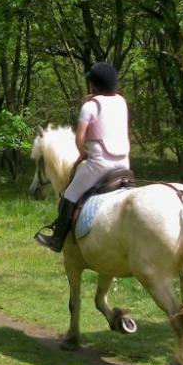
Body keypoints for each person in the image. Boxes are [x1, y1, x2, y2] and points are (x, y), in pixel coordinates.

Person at [35, 61, 130, 252]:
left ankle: (57, 239)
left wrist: (84, 154)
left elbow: (79, 141)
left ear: (93, 85)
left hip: (100, 164)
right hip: (124, 163)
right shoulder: (121, 101)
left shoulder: (89, 107)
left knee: (69, 195)